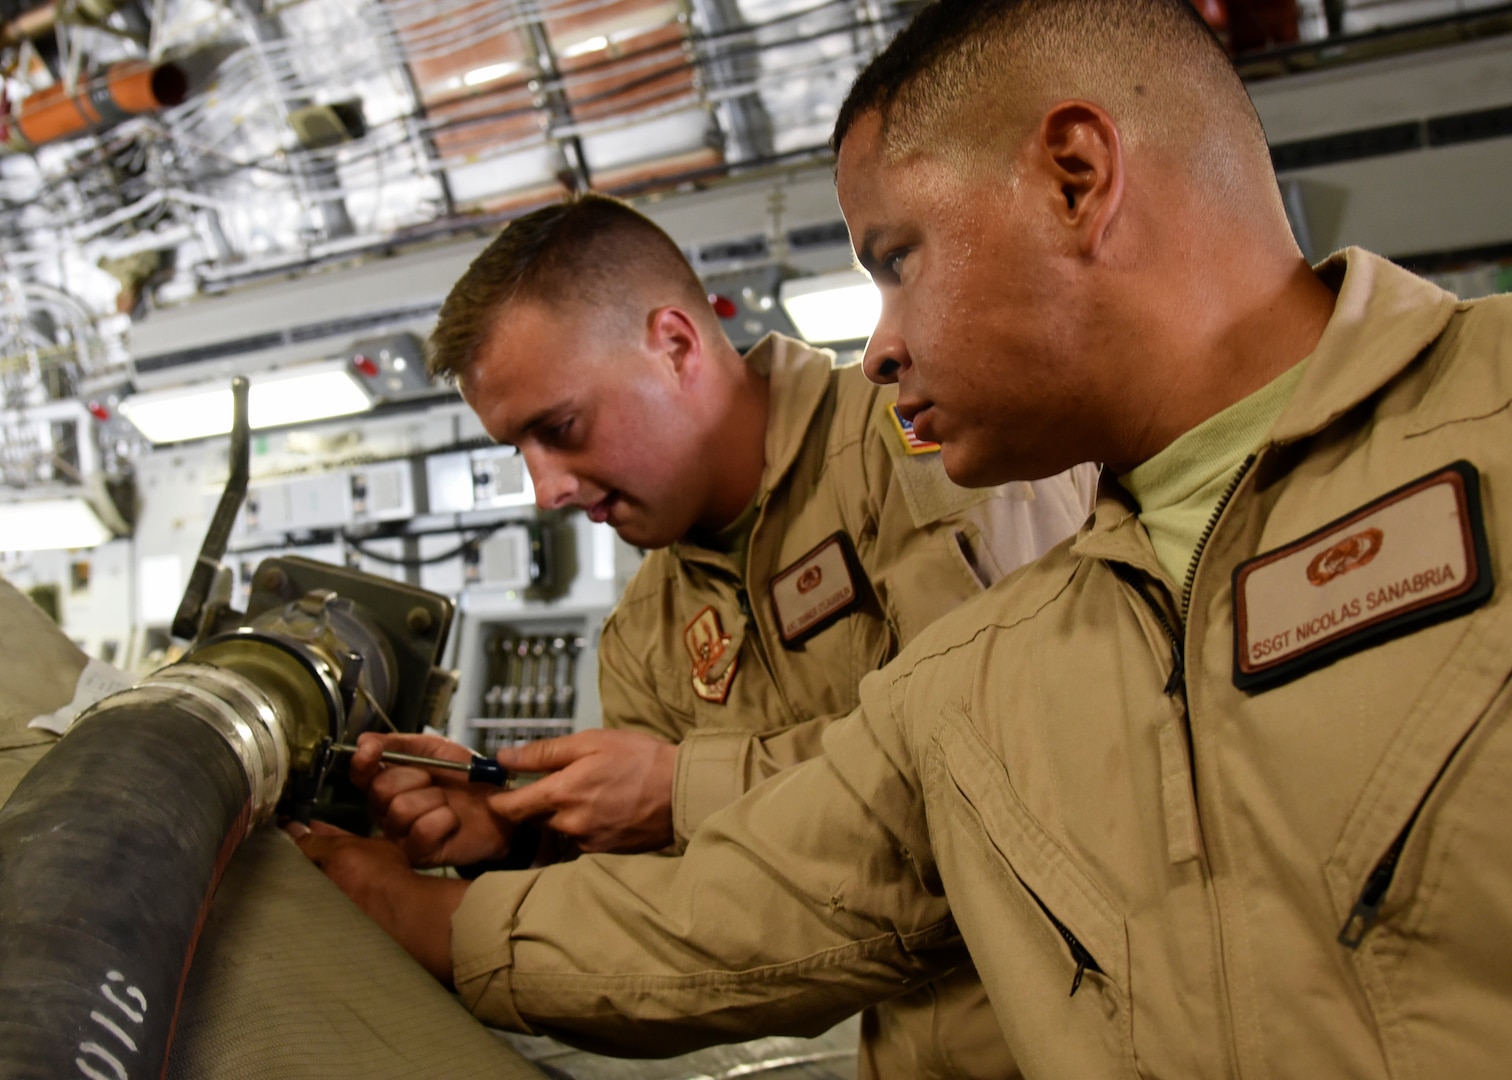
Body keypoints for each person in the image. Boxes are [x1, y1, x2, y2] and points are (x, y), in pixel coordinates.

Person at [295, 0, 1512, 1075]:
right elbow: (761, 901)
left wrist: (669, 794)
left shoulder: (1487, 422)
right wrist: (474, 882)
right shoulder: (1003, 668)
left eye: (895, 261)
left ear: (1077, 176)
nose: (876, 349)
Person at [304, 193, 1092, 1078]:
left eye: (559, 430)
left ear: (675, 344)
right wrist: (521, 830)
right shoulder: (646, 631)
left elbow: (1003, 782)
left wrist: (678, 786)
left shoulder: (920, 445)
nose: (545, 491)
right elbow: (700, 898)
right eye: (516, 449)